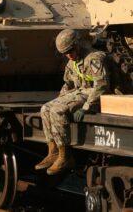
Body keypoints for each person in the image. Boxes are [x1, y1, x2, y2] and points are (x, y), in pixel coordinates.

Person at [36, 29, 109, 175]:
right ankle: (53, 151)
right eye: (65, 53)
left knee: (57, 111)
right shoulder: (72, 62)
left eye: (70, 51)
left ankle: (65, 156)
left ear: (77, 45)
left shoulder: (94, 58)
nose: (68, 55)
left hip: (91, 94)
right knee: (45, 108)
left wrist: (87, 107)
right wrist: (60, 99)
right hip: (79, 92)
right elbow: (68, 84)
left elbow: (101, 85)